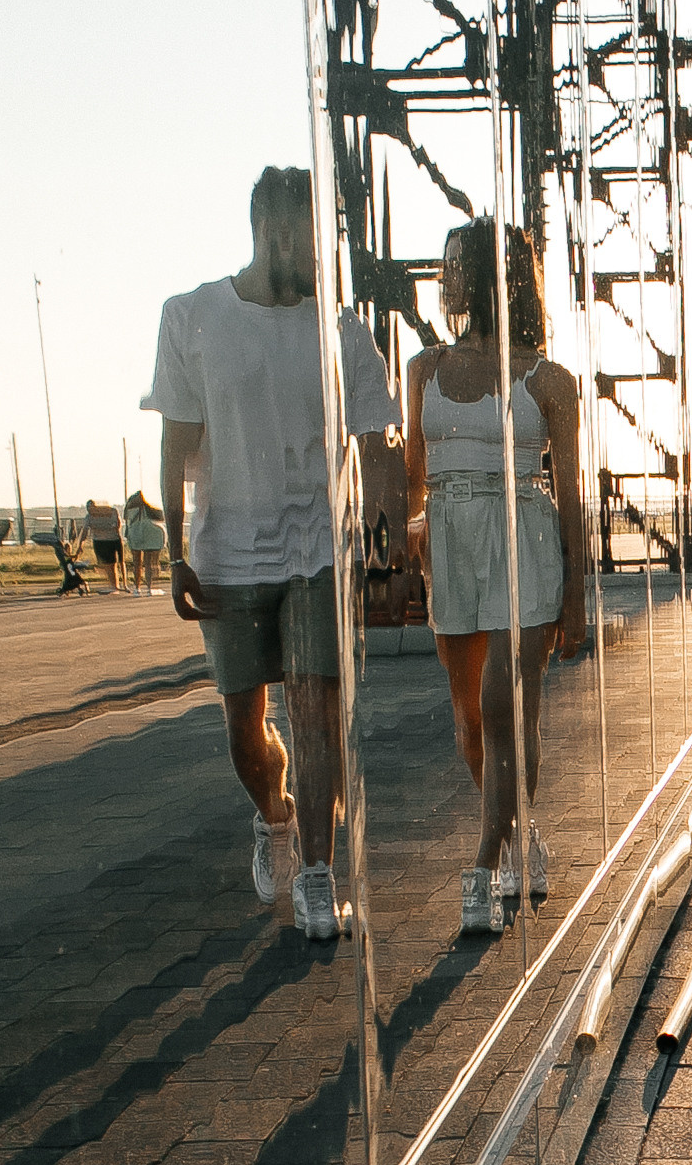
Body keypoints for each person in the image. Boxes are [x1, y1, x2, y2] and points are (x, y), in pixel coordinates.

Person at [143, 164, 400, 943]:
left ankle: (319, 875)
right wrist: (174, 550)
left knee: (316, 710)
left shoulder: (342, 331)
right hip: (227, 553)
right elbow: (176, 436)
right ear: (277, 231)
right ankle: (277, 816)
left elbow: (378, 444)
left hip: (316, 552)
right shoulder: (191, 316)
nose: (320, 253)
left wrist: (385, 553)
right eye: (311, 236)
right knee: (244, 733)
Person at [406, 218, 590, 937]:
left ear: (485, 276)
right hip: (451, 542)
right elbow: (414, 478)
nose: (442, 278)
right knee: (470, 722)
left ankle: (483, 862)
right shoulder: (422, 368)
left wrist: (575, 593)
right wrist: (403, 537)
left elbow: (569, 494)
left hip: (525, 538)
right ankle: (522, 836)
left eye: (453, 265)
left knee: (505, 707)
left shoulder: (549, 380)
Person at [122, 483, 165, 592]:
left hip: (135, 532)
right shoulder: (152, 505)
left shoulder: (131, 504)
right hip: (149, 531)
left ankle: (137, 587)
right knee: (148, 562)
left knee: (137, 562)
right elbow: (161, 518)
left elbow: (126, 518)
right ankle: (149, 587)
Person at [83, 493, 125, 592]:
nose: (90, 510)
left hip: (112, 540)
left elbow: (118, 525)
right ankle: (113, 584)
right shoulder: (89, 517)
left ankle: (116, 585)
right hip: (99, 541)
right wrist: (81, 543)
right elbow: (85, 530)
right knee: (105, 564)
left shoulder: (111, 511)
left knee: (112, 564)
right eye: (89, 508)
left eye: (92, 507)